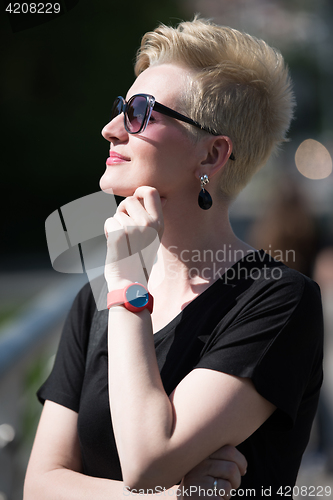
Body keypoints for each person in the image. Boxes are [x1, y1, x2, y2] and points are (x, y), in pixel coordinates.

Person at [24, 17, 323, 499]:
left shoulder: (279, 301)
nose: (110, 129)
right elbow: (39, 485)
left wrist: (125, 283)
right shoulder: (92, 303)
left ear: (211, 157)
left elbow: (148, 461)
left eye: (141, 112)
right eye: (121, 107)